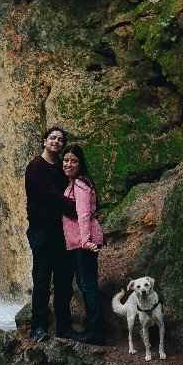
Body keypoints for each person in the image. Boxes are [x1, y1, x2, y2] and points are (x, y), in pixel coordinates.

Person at [24, 125, 77, 342]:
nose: (56, 141)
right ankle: (38, 327)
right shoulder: (35, 166)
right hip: (41, 233)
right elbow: (48, 195)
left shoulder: (63, 169)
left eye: (60, 139)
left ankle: (64, 327)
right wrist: (73, 207)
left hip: (62, 233)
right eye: (52, 138)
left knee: (64, 282)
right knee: (42, 281)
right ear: (45, 140)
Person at [62, 144, 105, 345]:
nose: (69, 164)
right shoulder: (72, 184)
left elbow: (84, 214)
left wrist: (86, 240)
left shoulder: (79, 184)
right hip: (78, 242)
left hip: (84, 243)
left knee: (88, 285)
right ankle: (92, 328)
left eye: (74, 161)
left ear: (80, 164)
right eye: (66, 160)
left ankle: (96, 332)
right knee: (85, 284)